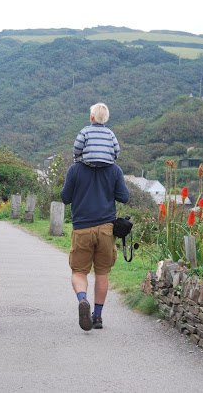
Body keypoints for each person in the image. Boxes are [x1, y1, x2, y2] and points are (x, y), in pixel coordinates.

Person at [60, 158, 130, 331]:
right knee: (102, 272)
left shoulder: (75, 169)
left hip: (82, 228)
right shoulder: (114, 170)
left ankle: (83, 299)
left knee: (79, 271)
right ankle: (97, 316)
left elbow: (65, 197)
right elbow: (124, 197)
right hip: (106, 229)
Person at [73, 103, 120, 167]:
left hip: (88, 162)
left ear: (92, 117)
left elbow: (77, 149)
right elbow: (117, 150)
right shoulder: (110, 133)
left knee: (73, 168)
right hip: (106, 163)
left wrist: (77, 159)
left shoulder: (85, 131)